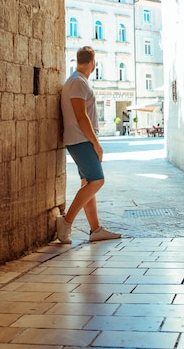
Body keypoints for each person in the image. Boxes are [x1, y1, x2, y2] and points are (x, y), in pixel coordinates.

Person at [57, 46, 121, 244]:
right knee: (97, 180)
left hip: (78, 139)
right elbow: (81, 116)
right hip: (81, 139)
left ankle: (95, 230)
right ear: (93, 63)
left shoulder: (78, 81)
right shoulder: (77, 82)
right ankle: (65, 223)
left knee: (88, 183)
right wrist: (96, 143)